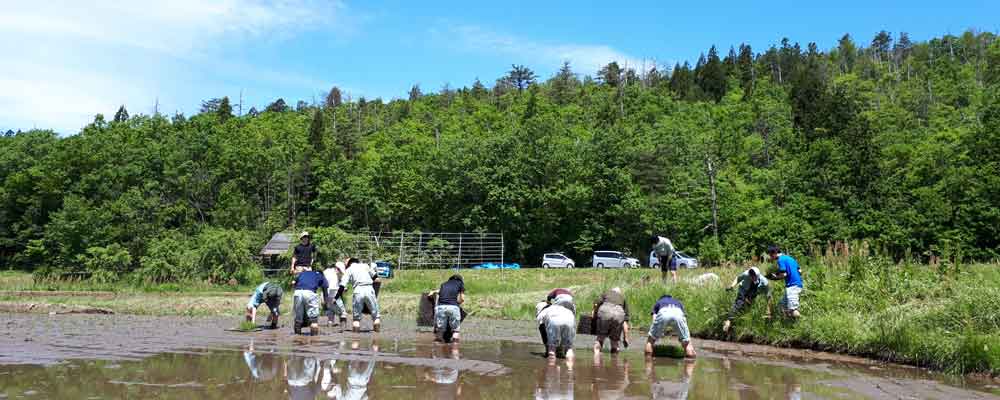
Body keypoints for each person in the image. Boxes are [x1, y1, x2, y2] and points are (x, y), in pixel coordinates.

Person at [338, 258, 381, 332]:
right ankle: (377, 335)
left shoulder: (349, 270)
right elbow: (376, 279)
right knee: (376, 315)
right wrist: (375, 291)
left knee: (356, 318)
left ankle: (355, 339)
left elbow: (343, 285)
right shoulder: (365, 266)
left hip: (358, 291)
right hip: (369, 289)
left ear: (349, 264)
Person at [722, 267, 770, 332]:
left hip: (753, 293)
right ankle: (728, 321)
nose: (751, 277)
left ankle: (737, 324)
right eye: (751, 276)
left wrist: (768, 309)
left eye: (753, 276)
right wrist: (732, 286)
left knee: (746, 308)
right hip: (743, 290)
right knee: (739, 304)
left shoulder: (764, 282)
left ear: (757, 276)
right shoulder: (746, 274)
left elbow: (768, 296)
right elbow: (738, 278)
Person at [766, 245, 803, 319]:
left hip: (792, 286)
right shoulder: (790, 258)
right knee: (781, 306)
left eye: (770, 255)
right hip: (796, 285)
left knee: (793, 310)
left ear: (774, 253)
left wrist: (774, 277)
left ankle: (804, 321)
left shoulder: (781, 260)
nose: (770, 257)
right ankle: (788, 323)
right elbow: (800, 271)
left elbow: (784, 274)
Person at [592, 287, 630, 353]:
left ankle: (596, 358)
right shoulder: (622, 298)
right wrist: (625, 338)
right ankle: (615, 360)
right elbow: (625, 322)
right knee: (614, 341)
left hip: (605, 311)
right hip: (619, 314)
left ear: (612, 290)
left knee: (600, 338)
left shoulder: (606, 293)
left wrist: (594, 315)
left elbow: (596, 304)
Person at [429, 274, 465, 343]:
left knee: (440, 330)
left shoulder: (444, 284)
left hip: (440, 307)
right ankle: (455, 348)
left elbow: (440, 291)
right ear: (460, 279)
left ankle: (437, 347)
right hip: (453, 307)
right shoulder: (460, 283)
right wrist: (457, 304)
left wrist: (433, 292)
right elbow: (462, 299)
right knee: (455, 330)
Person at [292, 268, 329, 335]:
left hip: (297, 292)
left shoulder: (303, 273)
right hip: (309, 292)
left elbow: (293, 283)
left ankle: (296, 338)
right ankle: (314, 340)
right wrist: (326, 304)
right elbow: (325, 290)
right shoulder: (320, 275)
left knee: (298, 318)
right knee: (314, 319)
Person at [323, 261, 348, 327]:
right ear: (336, 268)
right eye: (339, 270)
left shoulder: (326, 271)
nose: (340, 272)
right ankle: (343, 327)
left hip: (325, 295)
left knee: (330, 311)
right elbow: (339, 287)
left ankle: (330, 324)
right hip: (334, 295)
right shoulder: (336, 275)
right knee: (343, 312)